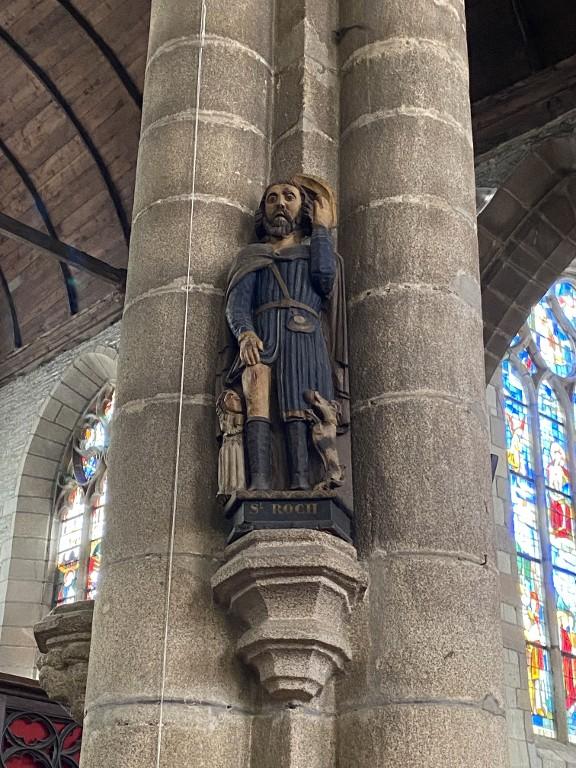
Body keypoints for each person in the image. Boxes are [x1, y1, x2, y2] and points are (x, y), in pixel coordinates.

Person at [221, 177, 348, 490]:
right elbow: (238, 306)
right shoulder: (251, 257)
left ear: (302, 209)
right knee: (256, 393)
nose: (280, 203)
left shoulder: (314, 254)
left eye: (289, 197)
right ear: (263, 212)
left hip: (304, 338)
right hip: (264, 336)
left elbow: (324, 281)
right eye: (272, 198)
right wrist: (245, 334)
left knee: (300, 405)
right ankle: (261, 482)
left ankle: (301, 483)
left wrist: (321, 230)